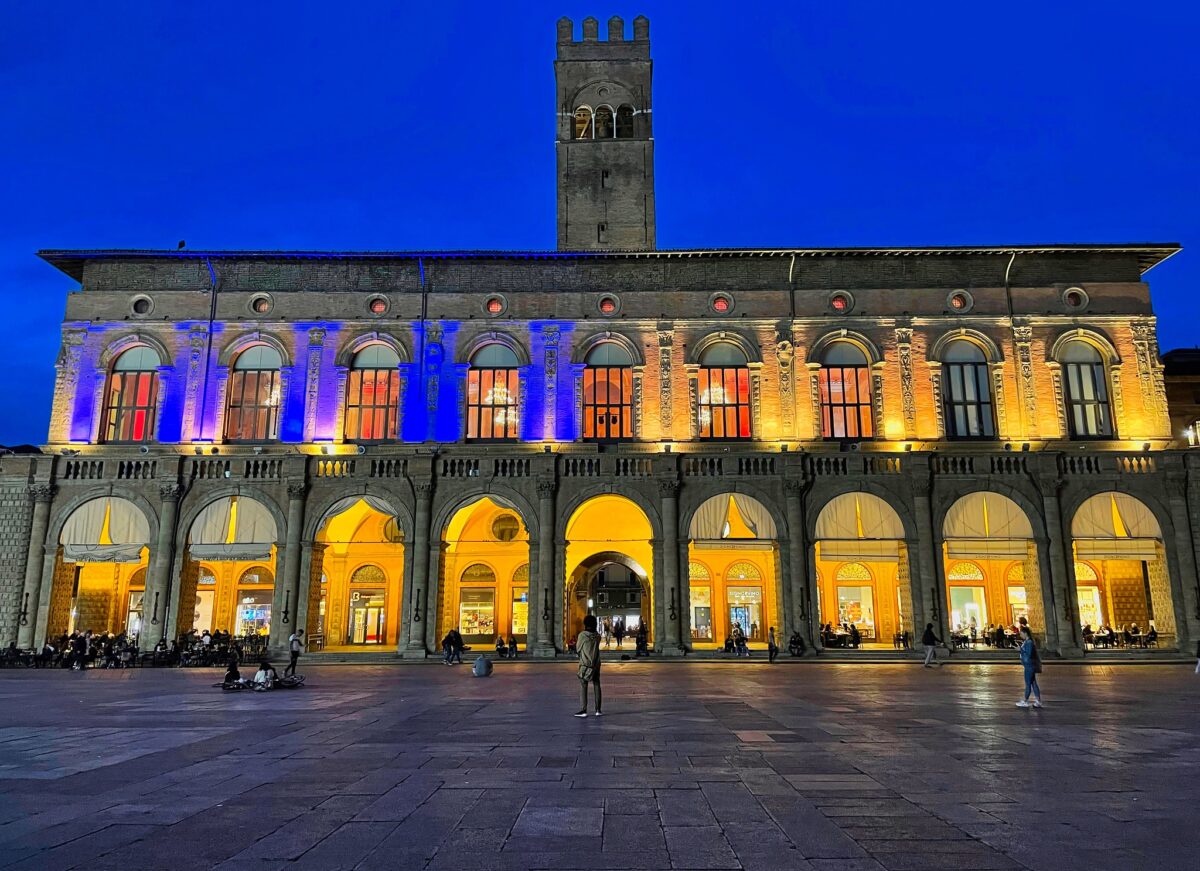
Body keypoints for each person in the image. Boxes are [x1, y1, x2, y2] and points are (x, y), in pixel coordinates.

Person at [575, 614, 602, 718]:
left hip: (585, 663)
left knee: (583, 685)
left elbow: (578, 649)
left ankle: (583, 709)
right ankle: (598, 709)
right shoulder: (597, 636)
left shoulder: (582, 635)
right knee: (597, 684)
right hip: (596, 663)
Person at [1016, 626, 1043, 708]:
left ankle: (1025, 700)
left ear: (1025, 633)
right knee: (1033, 683)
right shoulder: (1029, 642)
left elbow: (1028, 654)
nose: (1020, 635)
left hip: (1029, 665)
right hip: (1030, 665)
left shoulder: (1028, 643)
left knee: (1028, 683)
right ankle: (1038, 701)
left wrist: (1020, 649)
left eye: (1021, 633)